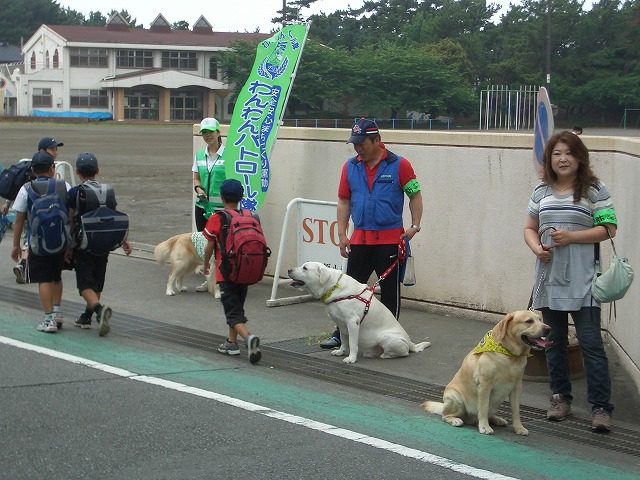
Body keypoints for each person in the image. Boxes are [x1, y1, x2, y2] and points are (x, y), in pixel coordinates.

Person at [523, 130, 616, 433]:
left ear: (579, 157)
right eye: (556, 154)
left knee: (590, 344)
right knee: (553, 342)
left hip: (584, 281)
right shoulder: (541, 191)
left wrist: (572, 237)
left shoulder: (594, 189)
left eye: (569, 153)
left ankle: (601, 408)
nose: (563, 159)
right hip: (549, 278)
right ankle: (559, 398)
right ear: (549, 159)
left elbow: (609, 229)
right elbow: (529, 228)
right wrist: (537, 247)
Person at [321, 118, 423, 349]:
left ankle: (391, 334)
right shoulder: (350, 166)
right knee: (347, 290)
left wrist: (415, 226)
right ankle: (341, 334)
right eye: (354, 144)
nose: (358, 149)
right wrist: (342, 235)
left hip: (390, 240)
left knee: (389, 292)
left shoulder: (400, 165)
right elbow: (344, 201)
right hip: (360, 239)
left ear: (377, 140)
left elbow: (415, 195)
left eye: (362, 143)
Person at [67, 153, 133, 337]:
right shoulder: (107, 190)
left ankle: (98, 310)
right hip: (104, 243)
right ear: (97, 170)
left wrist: (68, 244)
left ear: (77, 171)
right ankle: (86, 317)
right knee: (97, 280)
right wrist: (125, 240)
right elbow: (115, 214)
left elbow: (71, 219)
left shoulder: (74, 192)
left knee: (84, 284)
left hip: (83, 244)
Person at [10, 151, 71, 333]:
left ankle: (49, 319)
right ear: (53, 168)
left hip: (37, 243)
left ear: (33, 170)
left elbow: (19, 220)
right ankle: (58, 312)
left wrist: (16, 246)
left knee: (43, 279)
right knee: (56, 276)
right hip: (60, 241)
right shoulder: (64, 186)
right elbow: (71, 214)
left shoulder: (26, 189)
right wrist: (70, 243)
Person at [202, 179, 261, 364]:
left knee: (231, 311)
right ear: (242, 197)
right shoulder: (251, 216)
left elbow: (209, 245)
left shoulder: (217, 218)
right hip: (246, 269)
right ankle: (231, 342)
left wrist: (206, 264)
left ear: (221, 197)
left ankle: (249, 338)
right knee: (237, 307)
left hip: (226, 272)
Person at [11, 136, 65, 284]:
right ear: (43, 150)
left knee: (31, 238)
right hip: (41, 214)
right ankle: (25, 266)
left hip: (32, 214)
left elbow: (19, 193)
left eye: (56, 149)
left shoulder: (32, 167)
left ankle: (23, 264)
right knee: (33, 240)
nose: (56, 152)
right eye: (52, 149)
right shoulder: (53, 175)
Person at [193, 117, 225, 292]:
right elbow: (196, 177)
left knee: (223, 246)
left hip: (222, 211)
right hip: (202, 208)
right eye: (204, 133)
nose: (207, 136)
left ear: (218, 132)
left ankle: (223, 281)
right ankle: (209, 280)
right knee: (205, 246)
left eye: (210, 132)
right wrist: (198, 188)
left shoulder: (229, 155)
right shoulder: (199, 155)